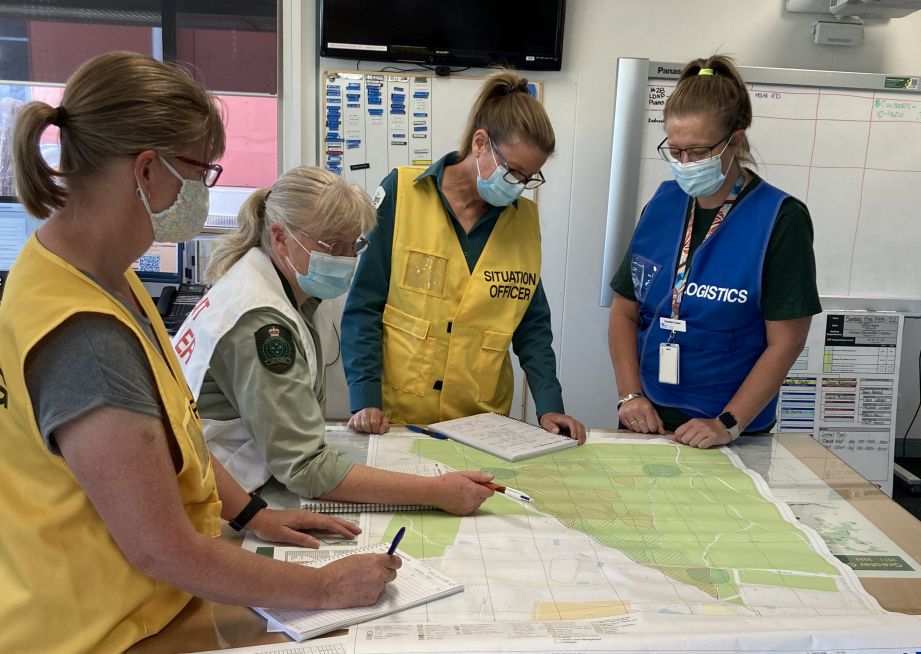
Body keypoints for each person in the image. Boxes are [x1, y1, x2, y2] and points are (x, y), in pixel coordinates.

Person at [0, 52, 399, 654]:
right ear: (146, 171)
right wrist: (320, 588)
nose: (203, 190)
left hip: (144, 597)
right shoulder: (84, 333)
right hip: (102, 628)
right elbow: (159, 546)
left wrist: (251, 516)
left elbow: (170, 438)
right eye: (200, 172)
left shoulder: (95, 273)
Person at [172, 165, 493, 513]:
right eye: (333, 246)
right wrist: (436, 492)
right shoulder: (261, 321)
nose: (348, 260)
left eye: (354, 245)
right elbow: (307, 469)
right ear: (280, 237)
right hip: (218, 498)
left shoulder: (269, 282)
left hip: (232, 478)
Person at [342, 70, 586, 441]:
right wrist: (364, 398)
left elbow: (532, 325)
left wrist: (550, 405)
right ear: (480, 143)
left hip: (482, 423)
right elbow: (365, 306)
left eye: (529, 178)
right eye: (513, 171)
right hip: (398, 419)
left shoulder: (523, 223)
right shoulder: (402, 194)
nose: (519, 186)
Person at [607, 55, 821, 449]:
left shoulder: (780, 219)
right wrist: (629, 395)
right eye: (675, 151)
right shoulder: (663, 202)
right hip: (648, 415)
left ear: (735, 140)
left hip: (730, 425)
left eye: (700, 152)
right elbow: (624, 311)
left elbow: (786, 341)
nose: (685, 164)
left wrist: (727, 422)